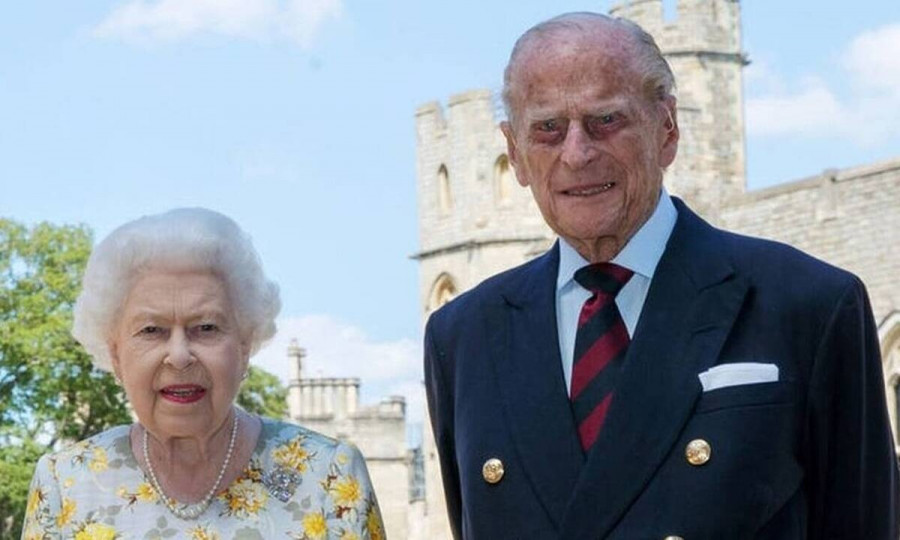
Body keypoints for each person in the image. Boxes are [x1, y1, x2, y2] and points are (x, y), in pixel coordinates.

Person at [424, 12, 899, 540]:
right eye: (548, 129)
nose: (577, 154)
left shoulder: (809, 305)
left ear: (667, 130)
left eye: (606, 120)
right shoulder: (462, 337)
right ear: (514, 153)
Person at [22, 208, 385, 539]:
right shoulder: (64, 484)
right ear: (116, 355)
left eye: (206, 327)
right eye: (152, 330)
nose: (179, 356)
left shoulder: (329, 476)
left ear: (244, 346)